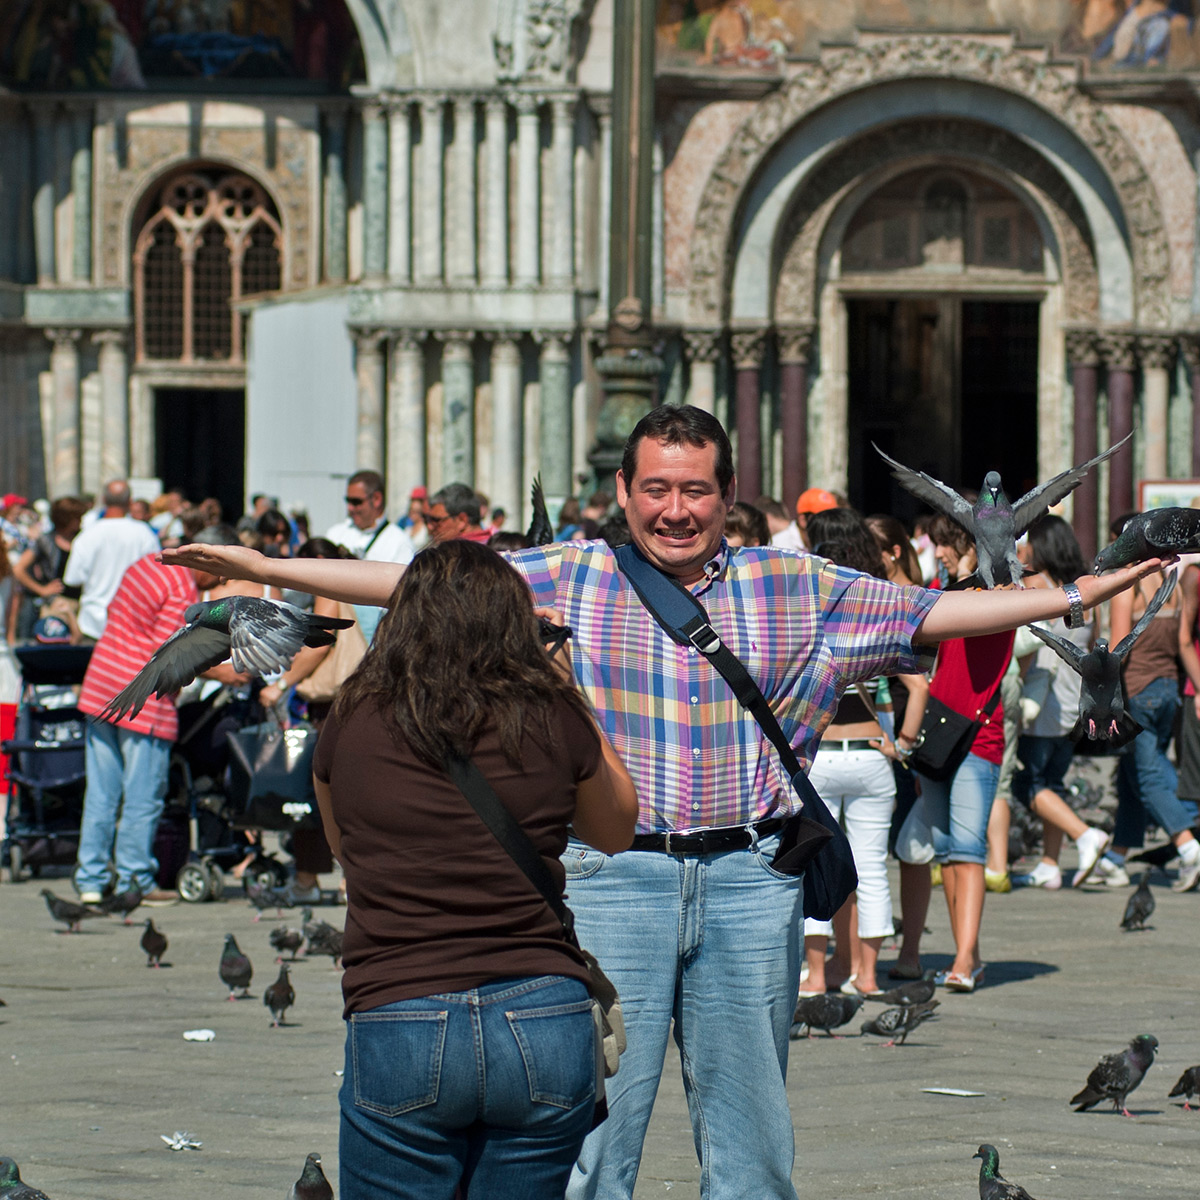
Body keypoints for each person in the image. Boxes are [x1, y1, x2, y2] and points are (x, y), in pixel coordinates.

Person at [162, 406, 1164, 1200]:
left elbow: (939, 612)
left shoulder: (795, 584)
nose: (674, 510)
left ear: (727, 495)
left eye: (694, 491)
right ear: (623, 493)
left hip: (748, 879)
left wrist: (1070, 599)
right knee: (597, 1146)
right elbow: (414, 580)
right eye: (655, 490)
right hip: (616, 877)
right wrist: (262, 568)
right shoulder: (575, 575)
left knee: (752, 1144)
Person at [312, 539, 637, 1200]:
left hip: (401, 1004)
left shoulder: (351, 720)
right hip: (541, 1014)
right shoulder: (548, 712)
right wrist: (569, 689)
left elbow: (346, 852)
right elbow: (617, 828)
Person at [800, 509, 929, 999]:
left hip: (823, 755)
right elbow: (917, 686)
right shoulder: (874, 602)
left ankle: (816, 973)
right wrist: (903, 745)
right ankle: (868, 974)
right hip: (874, 756)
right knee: (872, 868)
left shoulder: (812, 599)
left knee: (813, 863)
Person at [894, 513, 1012, 993]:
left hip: (978, 733)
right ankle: (971, 953)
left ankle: (964, 959)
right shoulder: (949, 589)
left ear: (967, 542)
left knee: (967, 848)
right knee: (946, 851)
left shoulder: (997, 588)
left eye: (944, 544)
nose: (935, 552)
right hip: (942, 734)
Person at [73, 552, 206, 903]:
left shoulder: (147, 563)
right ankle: (133, 878)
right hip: (142, 701)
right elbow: (170, 653)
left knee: (101, 793)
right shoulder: (181, 587)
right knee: (142, 796)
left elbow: (112, 612)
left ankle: (91, 878)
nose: (221, 583)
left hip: (102, 684)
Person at [1008, 517, 1112, 890]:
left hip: (1044, 697)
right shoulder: (1088, 588)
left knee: (1028, 784)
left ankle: (1085, 835)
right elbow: (1097, 641)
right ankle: (1050, 863)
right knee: (1054, 781)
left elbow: (1022, 643)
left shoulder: (1038, 586)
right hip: (1078, 696)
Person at [258, 537, 362, 905]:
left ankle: (310, 880)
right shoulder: (358, 579)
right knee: (343, 795)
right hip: (351, 702)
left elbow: (325, 639)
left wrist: (282, 683)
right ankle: (338, 879)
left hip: (330, 706)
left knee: (313, 795)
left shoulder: (329, 586)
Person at [1099, 519, 1200, 891]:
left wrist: (1101, 695)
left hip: (1137, 691)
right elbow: (1183, 642)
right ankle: (1116, 857)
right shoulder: (1171, 584)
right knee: (1132, 776)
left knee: (1148, 776)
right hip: (1168, 691)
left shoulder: (1130, 585)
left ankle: (1190, 848)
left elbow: (1118, 650)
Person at [62, 480, 161, 641]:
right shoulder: (145, 534)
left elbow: (73, 579)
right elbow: (156, 577)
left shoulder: (88, 535)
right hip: (132, 623)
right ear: (130, 502)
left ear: (104, 500)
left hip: (93, 623)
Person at [325, 470, 415, 643]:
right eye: (347, 501)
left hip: (375, 637)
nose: (350, 508)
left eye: (356, 502)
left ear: (376, 499)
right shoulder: (335, 534)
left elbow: (402, 596)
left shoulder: (399, 542)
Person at [424, 483, 491, 545]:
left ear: (462, 520)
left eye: (436, 520)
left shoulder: (456, 554)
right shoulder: (495, 546)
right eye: (427, 519)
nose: (430, 526)